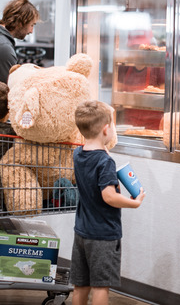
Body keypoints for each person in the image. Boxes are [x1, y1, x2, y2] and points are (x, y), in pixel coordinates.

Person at [70, 100, 146, 305]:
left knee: (81, 285)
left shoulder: (78, 154)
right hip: (103, 234)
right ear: (106, 129)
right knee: (101, 286)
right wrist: (135, 203)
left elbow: (94, 161)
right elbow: (109, 196)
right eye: (112, 124)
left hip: (82, 231)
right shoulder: (105, 162)